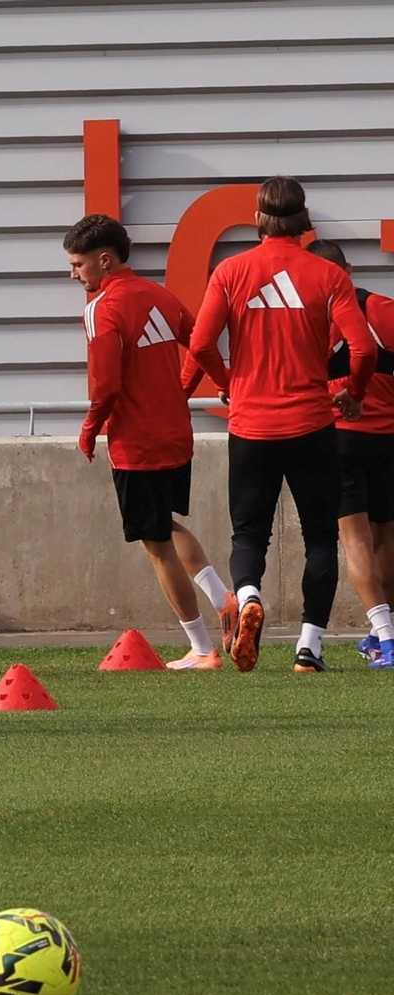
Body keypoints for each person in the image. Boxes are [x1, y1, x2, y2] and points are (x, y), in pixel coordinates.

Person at [187, 176, 376, 673]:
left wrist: (229, 381)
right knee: (319, 536)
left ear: (258, 221)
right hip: (313, 424)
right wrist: (353, 396)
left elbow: (202, 344)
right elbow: (365, 349)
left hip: (251, 425)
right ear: (304, 223)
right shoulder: (327, 275)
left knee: (249, 534)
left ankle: (248, 596)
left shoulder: (230, 271)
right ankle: (308, 649)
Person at [64, 214, 237, 669]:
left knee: (155, 545)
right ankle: (225, 599)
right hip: (176, 436)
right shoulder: (160, 295)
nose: (74, 274)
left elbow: (105, 387)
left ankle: (202, 649)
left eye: (79, 264)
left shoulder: (102, 308)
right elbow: (200, 345)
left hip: (136, 442)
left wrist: (89, 430)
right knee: (165, 525)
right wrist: (221, 382)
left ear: (104, 261)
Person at [305, 239, 394, 668]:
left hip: (339, 437)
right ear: (349, 268)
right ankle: (385, 634)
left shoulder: (312, 322)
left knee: (353, 537)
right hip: (389, 438)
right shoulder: (385, 308)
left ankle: (385, 636)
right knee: (386, 536)